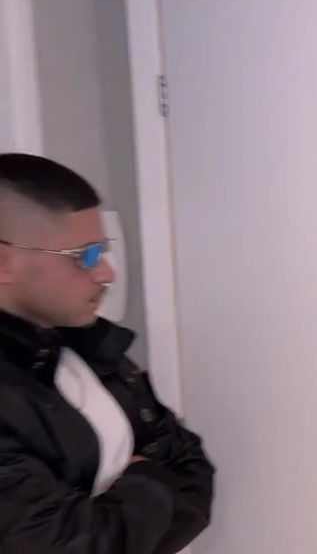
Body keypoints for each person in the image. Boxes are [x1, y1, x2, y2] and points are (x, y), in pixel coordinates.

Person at [0, 153, 215, 553]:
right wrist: (147, 481)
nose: (106, 273)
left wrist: (125, 512)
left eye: (102, 251)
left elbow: (191, 473)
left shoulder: (88, 347)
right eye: (84, 256)